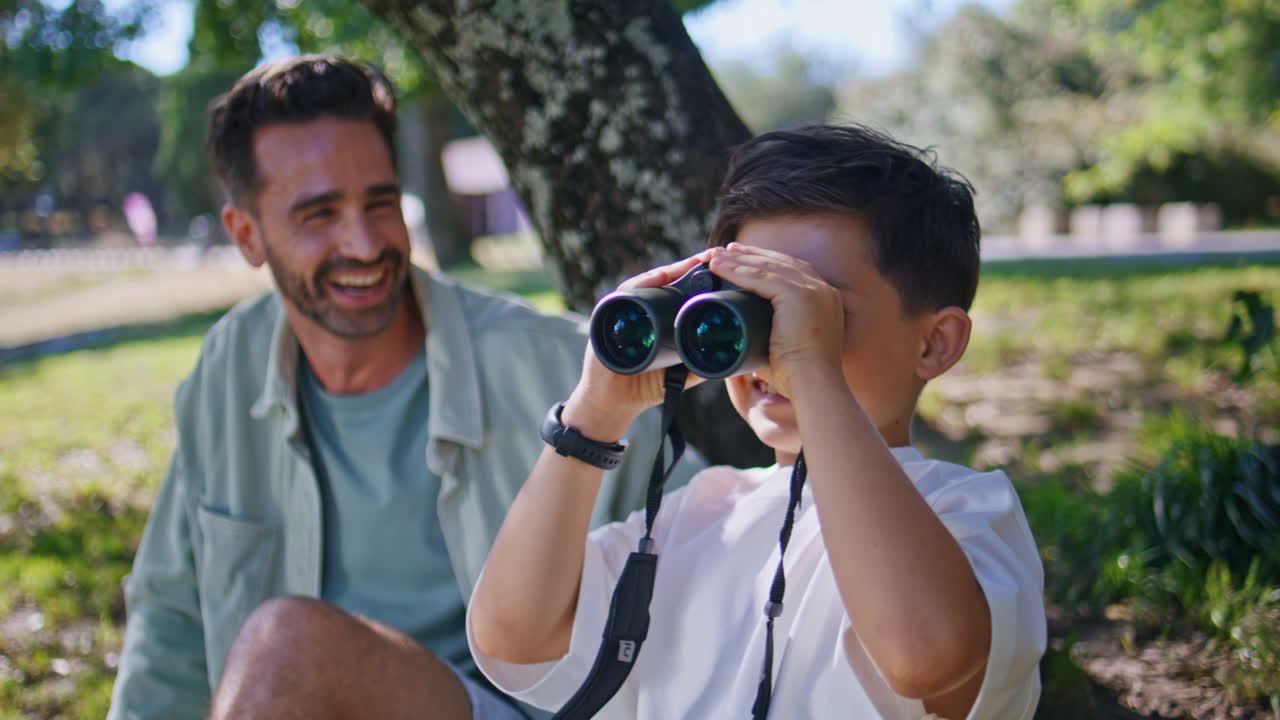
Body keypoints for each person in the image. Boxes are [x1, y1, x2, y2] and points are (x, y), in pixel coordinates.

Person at [108, 55, 701, 720]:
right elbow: (171, 617)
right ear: (248, 235)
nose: (364, 244)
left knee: (290, 643)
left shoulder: (557, 366)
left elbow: (715, 552)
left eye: (380, 203)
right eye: (319, 214)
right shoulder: (226, 370)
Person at [467, 124, 1047, 719]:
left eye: (816, 309)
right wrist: (593, 416)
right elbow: (514, 635)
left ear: (935, 343)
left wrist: (814, 375)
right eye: (748, 306)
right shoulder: (699, 515)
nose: (776, 347)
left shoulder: (968, 512)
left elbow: (923, 657)